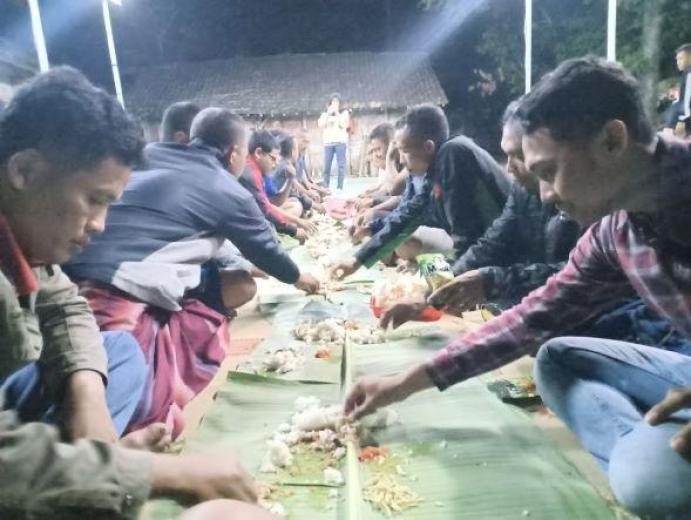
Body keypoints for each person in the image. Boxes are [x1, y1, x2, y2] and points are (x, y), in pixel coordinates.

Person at [345, 57, 691, 518]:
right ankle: (646, 439)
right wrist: (404, 383)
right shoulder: (615, 233)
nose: (544, 193)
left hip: (660, 343)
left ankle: (649, 457)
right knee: (554, 356)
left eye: (548, 171)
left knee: (648, 489)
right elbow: (532, 317)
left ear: (612, 140)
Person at [0, 67, 275, 520]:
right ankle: (75, 483)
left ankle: (81, 470)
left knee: (118, 353)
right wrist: (152, 474)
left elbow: (65, 306)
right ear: (24, 171)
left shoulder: (29, 240)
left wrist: (88, 397)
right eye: (93, 200)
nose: (100, 225)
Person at [65, 108, 320, 439]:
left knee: (234, 280)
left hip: (69, 271)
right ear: (235, 153)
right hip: (115, 292)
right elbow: (267, 250)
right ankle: (151, 392)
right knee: (135, 387)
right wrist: (300, 278)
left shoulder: (148, 155)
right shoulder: (226, 188)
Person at [381, 100, 581, 326]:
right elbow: (491, 244)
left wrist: (488, 281)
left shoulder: (452, 153)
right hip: (529, 288)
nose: (509, 168)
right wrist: (432, 294)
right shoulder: (522, 190)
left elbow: (580, 276)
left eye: (520, 156)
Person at [332, 104, 510, 278]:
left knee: (428, 277)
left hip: (502, 254)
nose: (401, 160)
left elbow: (465, 238)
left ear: (428, 147)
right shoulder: (436, 169)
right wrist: (357, 260)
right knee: (422, 268)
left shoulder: (453, 154)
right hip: (478, 247)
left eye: (404, 151)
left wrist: (440, 283)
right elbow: (409, 213)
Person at [239, 130, 316, 241]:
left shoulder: (256, 172)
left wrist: (298, 221)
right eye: (273, 159)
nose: (275, 165)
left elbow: (267, 205)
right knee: (268, 229)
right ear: (258, 153)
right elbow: (266, 211)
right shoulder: (251, 175)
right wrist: (293, 230)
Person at [318, 93, 350, 190]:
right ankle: (326, 186)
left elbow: (344, 125)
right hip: (328, 143)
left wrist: (337, 113)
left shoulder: (344, 113)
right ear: (330, 103)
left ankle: (339, 187)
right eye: (333, 102)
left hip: (340, 142)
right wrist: (328, 114)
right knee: (326, 166)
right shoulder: (324, 114)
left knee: (341, 166)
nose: (334, 104)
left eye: (337, 102)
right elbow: (321, 125)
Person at [674, 43, 691, 138]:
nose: (678, 62)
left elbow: (687, 99)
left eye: (681, 58)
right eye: (677, 59)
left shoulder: (689, 73)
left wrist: (682, 120)